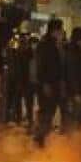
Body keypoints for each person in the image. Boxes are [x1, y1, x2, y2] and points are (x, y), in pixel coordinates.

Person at [33, 19, 66, 147]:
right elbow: (41, 66)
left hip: (54, 84)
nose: (62, 33)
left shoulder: (55, 45)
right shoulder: (45, 45)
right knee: (45, 114)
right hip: (47, 85)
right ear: (55, 30)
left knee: (49, 114)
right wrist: (45, 83)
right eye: (60, 30)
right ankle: (40, 141)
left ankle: (44, 140)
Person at [4, 23, 36, 125]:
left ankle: (22, 119)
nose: (23, 39)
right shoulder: (16, 49)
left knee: (23, 101)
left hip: (22, 79)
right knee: (21, 100)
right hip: (20, 78)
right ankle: (21, 119)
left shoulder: (24, 50)